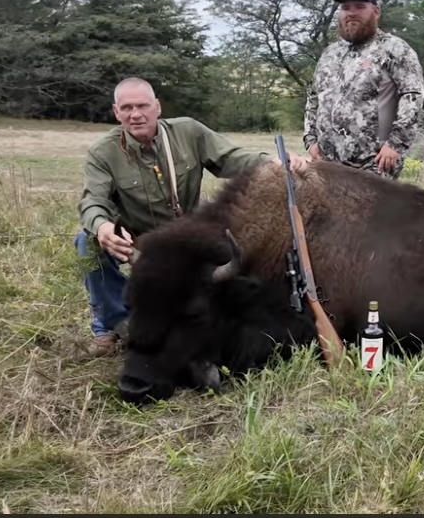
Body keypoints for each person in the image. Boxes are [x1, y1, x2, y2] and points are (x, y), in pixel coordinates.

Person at [75, 77, 309, 357]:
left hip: (184, 237)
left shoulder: (189, 132)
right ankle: (110, 325)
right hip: (136, 239)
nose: (135, 114)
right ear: (116, 112)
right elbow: (92, 200)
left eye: (142, 106)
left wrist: (273, 162)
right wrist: (102, 228)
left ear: (157, 107)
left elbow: (233, 158)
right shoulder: (103, 153)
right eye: (126, 108)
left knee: (238, 250)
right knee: (86, 242)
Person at [302, 0, 424, 180]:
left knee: (373, 212)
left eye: (359, 6)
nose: (351, 12)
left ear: (375, 11)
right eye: (345, 7)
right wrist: (311, 141)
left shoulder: (394, 49)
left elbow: (412, 96)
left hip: (373, 163)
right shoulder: (329, 53)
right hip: (327, 164)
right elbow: (313, 98)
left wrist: (396, 144)